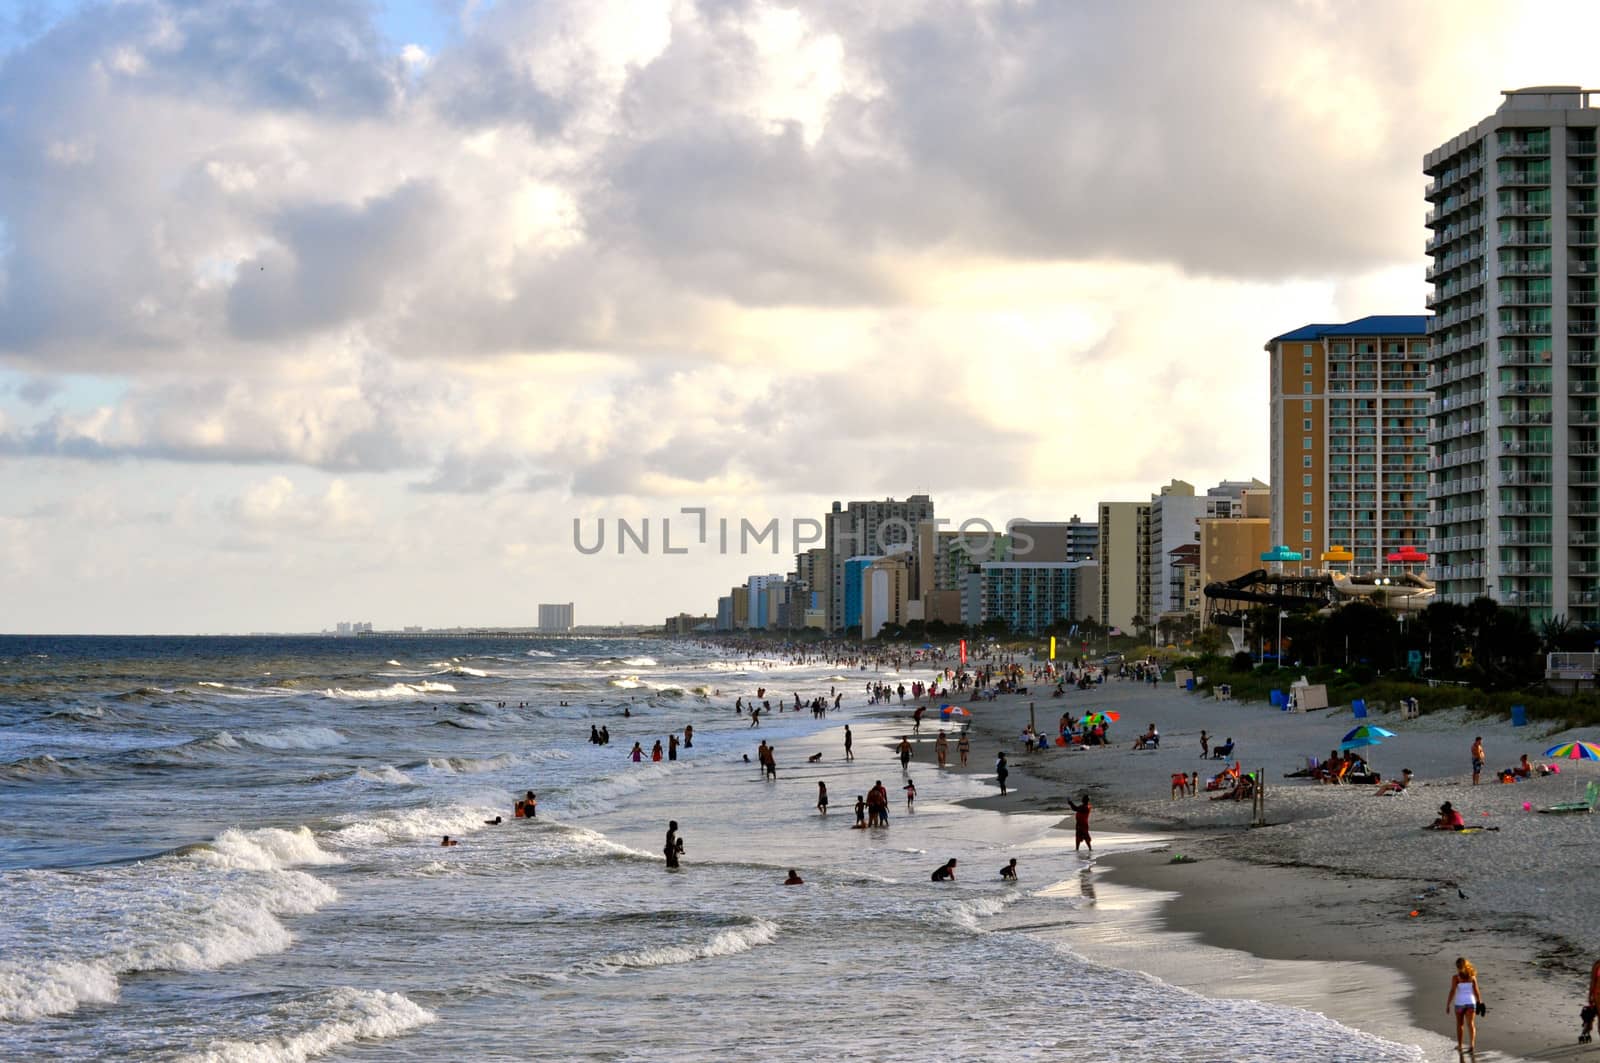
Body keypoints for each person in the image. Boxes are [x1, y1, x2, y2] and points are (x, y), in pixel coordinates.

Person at [1447, 956, 1483, 1057]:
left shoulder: (1456, 978)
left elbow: (1453, 991)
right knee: (1470, 1024)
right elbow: (1476, 991)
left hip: (1459, 1004)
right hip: (1471, 1003)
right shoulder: (1472, 977)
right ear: (1466, 965)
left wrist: (1448, 1004)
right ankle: (1472, 1045)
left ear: (1457, 967)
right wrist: (1480, 1002)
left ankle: (1459, 1045)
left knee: (1460, 1025)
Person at [1581, 957, 1600, 1043]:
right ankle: (1587, 1028)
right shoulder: (1597, 965)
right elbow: (1593, 981)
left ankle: (1587, 1028)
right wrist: (1590, 996)